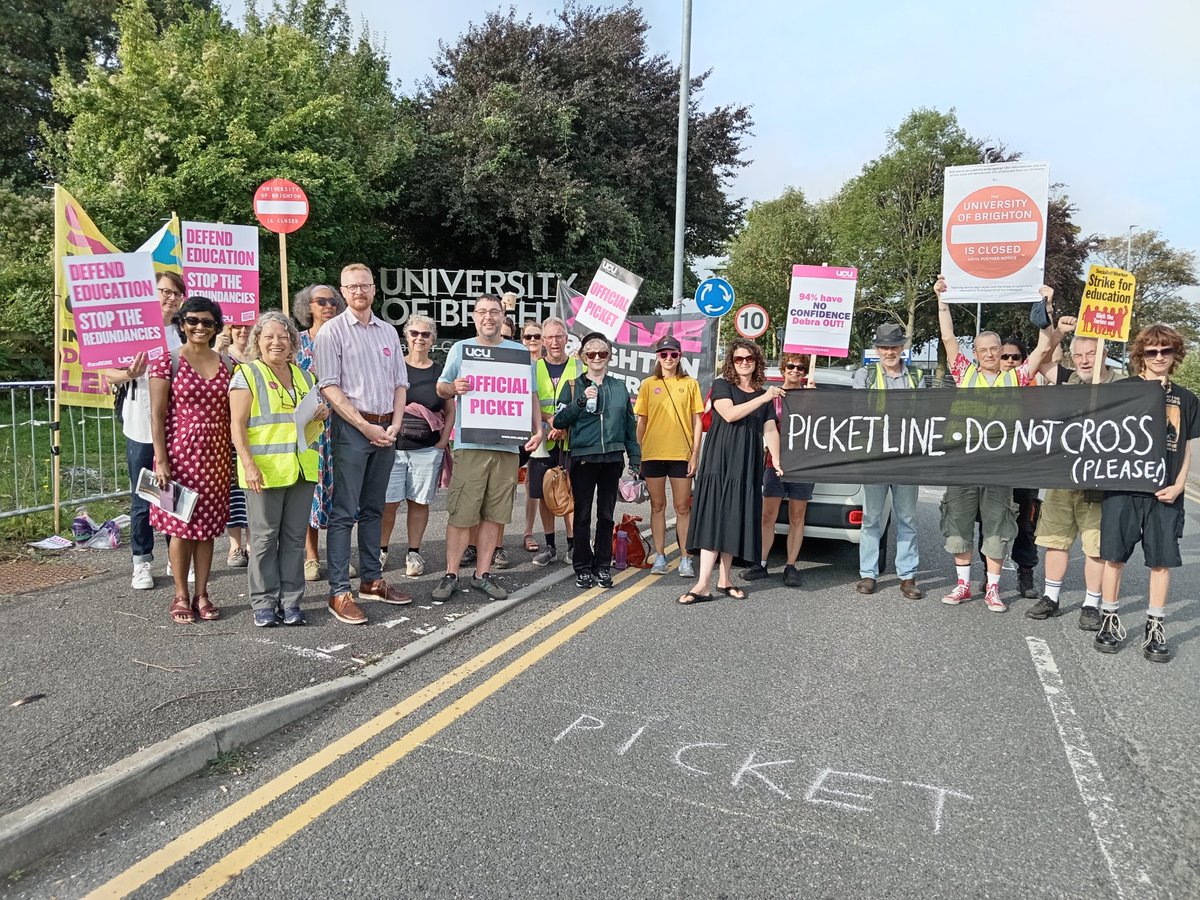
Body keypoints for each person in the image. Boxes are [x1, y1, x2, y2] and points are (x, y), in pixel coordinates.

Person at [935, 274, 1056, 613]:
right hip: (963, 466)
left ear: (1002, 351)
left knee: (997, 529)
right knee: (957, 526)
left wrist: (1045, 307)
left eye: (994, 349)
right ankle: (962, 585)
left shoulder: (1015, 377)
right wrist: (943, 300)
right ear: (975, 353)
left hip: (1000, 467)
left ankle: (992, 590)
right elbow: (947, 338)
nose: (988, 354)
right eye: (982, 350)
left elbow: (1044, 348)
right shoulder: (964, 372)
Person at [315, 263, 412, 625]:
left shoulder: (388, 332)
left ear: (374, 289)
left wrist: (396, 424)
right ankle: (340, 591)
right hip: (353, 430)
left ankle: (371, 580)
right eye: (352, 287)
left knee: (375, 508)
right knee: (344, 513)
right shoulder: (331, 332)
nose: (359, 292)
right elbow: (328, 386)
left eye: (365, 286)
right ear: (343, 291)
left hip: (387, 428)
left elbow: (400, 384)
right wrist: (364, 426)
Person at [1094, 323, 1198, 662]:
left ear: (1175, 354)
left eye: (1165, 351)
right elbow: (1095, 417)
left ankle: (1156, 627)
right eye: (1151, 351)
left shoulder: (1186, 398)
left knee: (1161, 561)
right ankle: (1108, 619)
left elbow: (1185, 448)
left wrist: (1180, 484)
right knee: (1114, 557)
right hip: (1125, 486)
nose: (1158, 357)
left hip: (1165, 491)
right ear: (1141, 355)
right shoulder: (1124, 389)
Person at [434, 294, 544, 601]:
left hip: (507, 448)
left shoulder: (520, 352)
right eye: (482, 311)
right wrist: (453, 388)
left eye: (493, 311)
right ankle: (451, 574)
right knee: (461, 513)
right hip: (470, 444)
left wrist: (538, 430)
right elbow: (441, 386)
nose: (488, 317)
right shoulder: (461, 349)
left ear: (502, 315)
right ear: (474, 316)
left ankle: (483, 574)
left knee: (494, 515)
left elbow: (531, 395)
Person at [229, 311, 326, 626]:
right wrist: (247, 463)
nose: (277, 342)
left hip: (300, 470)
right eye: (269, 336)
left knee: (294, 538)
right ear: (258, 340)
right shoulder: (248, 374)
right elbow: (238, 425)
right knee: (264, 539)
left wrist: (320, 416)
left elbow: (307, 425)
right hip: (263, 471)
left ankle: (291, 601)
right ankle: (264, 603)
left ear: (293, 342)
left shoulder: (304, 376)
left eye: (283, 337)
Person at [1026, 325, 1121, 625]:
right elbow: (1039, 362)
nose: (1083, 360)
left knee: (1095, 546)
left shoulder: (1124, 385)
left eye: (1091, 353)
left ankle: (1091, 605)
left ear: (1105, 353)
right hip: (1063, 475)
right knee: (1056, 540)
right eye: (1077, 354)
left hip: (1100, 479)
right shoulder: (1068, 379)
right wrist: (1058, 335)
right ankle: (1051, 597)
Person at [148, 296, 232, 624]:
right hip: (178, 458)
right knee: (180, 529)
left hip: (217, 460)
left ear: (216, 327)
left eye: (207, 322)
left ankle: (203, 593)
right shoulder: (165, 362)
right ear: (182, 324)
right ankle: (181, 594)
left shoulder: (228, 365)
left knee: (207, 530)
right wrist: (161, 459)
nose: (200, 327)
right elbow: (156, 416)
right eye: (193, 321)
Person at [680, 340, 785, 604]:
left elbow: (770, 429)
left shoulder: (763, 394)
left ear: (756, 361)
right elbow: (728, 414)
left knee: (733, 518)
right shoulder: (721, 385)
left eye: (749, 358)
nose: (744, 363)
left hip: (746, 463)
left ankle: (725, 579)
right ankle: (702, 583)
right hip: (719, 460)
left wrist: (778, 459)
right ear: (731, 362)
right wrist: (763, 397)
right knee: (713, 517)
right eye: (739, 359)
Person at [100, 271, 184, 590]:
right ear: (153, 292)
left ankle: (175, 556)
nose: (170, 298)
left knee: (171, 494)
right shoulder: (132, 328)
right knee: (142, 495)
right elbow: (108, 373)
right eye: (165, 291)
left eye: (176, 294)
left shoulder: (184, 331)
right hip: (139, 421)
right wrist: (128, 373)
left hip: (175, 424)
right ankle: (141, 561)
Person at [553, 332, 641, 589]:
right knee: (581, 516)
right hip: (583, 458)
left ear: (609, 357)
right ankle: (582, 566)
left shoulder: (619, 387)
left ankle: (602, 565)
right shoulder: (573, 385)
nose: (597, 358)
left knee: (605, 515)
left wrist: (635, 458)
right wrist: (580, 402)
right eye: (591, 353)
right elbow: (559, 421)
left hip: (612, 459)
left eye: (602, 353)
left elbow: (629, 426)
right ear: (583, 358)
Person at [851, 324, 926, 599]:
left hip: (907, 458)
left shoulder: (917, 376)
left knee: (907, 518)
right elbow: (856, 412)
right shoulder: (865, 375)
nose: (889, 352)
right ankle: (868, 574)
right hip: (876, 457)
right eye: (884, 347)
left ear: (902, 348)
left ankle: (907, 577)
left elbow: (926, 415)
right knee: (871, 518)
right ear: (877, 349)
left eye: (894, 346)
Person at [380, 314, 454, 578]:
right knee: (388, 503)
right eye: (414, 333)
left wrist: (442, 443)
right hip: (395, 448)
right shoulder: (394, 367)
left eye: (425, 334)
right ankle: (382, 549)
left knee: (418, 503)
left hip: (426, 450)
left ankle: (414, 552)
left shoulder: (439, 373)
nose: (419, 339)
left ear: (433, 339)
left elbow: (449, 410)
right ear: (406, 336)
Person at [742, 352, 814, 588]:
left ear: (805, 373)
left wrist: (815, 401)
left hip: (802, 465)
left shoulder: (813, 396)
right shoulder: (772, 396)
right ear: (783, 369)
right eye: (791, 366)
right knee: (767, 516)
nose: (795, 370)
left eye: (800, 368)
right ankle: (761, 562)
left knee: (797, 516)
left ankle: (791, 566)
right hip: (774, 463)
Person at [634, 335, 703, 578]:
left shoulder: (690, 384)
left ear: (680, 356)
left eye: (673, 354)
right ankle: (660, 556)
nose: (669, 358)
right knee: (657, 506)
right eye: (664, 354)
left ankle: (686, 557)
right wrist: (638, 454)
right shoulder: (647, 384)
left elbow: (697, 422)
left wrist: (695, 454)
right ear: (658, 357)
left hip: (681, 454)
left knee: (683, 507)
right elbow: (641, 423)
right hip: (653, 454)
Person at [293, 283, 346, 582]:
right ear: (308, 306)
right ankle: (311, 557)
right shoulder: (297, 343)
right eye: (320, 301)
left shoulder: (344, 341)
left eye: (332, 301)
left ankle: (339, 555)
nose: (328, 306)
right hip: (309, 429)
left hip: (341, 426)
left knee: (342, 492)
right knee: (310, 491)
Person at [992, 336, 1041, 599]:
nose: (1010, 361)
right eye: (1005, 356)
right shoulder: (986, 385)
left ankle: (1026, 573)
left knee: (1025, 523)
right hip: (994, 465)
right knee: (990, 521)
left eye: (1015, 357)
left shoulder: (1032, 389)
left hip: (1024, 464)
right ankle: (991, 577)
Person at [529, 316, 580, 567]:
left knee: (568, 493)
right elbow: (529, 403)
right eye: (548, 337)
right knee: (545, 495)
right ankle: (550, 546)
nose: (554, 341)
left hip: (570, 440)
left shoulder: (578, 367)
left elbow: (584, 404)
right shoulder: (533, 367)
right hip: (541, 441)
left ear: (566, 339)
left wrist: (563, 425)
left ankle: (572, 546)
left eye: (559, 336)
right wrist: (551, 420)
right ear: (543, 341)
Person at [216, 322, 253, 569]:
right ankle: (234, 545)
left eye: (249, 326)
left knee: (253, 488)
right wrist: (218, 353)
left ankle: (253, 542)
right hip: (229, 432)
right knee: (233, 490)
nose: (243, 331)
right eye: (237, 326)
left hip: (258, 433)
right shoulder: (221, 357)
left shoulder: (260, 355)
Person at [518, 319, 545, 554]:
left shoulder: (547, 365)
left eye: (537, 336)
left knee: (534, 486)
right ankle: (495, 543)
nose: (533, 341)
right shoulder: (515, 361)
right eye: (529, 337)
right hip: (515, 429)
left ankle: (529, 532)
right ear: (522, 339)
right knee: (503, 487)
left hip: (541, 431)